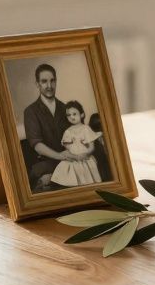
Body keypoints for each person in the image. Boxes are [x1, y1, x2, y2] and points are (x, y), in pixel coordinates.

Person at [22, 63, 74, 192]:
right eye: (44, 81)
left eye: (52, 81)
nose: (49, 86)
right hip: (44, 164)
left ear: (56, 81)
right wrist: (59, 156)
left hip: (66, 162)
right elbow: (37, 145)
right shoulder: (31, 111)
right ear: (37, 84)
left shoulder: (65, 108)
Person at [49, 101, 103, 187]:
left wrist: (85, 153)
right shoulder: (68, 131)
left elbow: (91, 147)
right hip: (73, 159)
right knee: (70, 176)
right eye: (68, 115)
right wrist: (71, 154)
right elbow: (67, 147)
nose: (71, 117)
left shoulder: (85, 129)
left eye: (74, 114)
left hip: (85, 159)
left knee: (88, 181)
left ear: (82, 115)